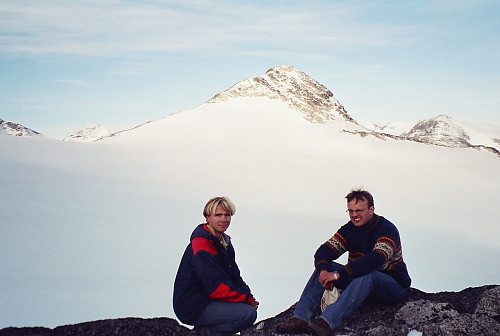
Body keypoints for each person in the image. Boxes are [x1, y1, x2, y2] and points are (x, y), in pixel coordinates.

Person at [277, 189, 411, 336]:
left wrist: (336, 275)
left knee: (368, 274)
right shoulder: (349, 229)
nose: (354, 215)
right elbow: (324, 251)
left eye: (359, 210)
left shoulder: (387, 229)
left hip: (393, 287)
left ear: (371, 209)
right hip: (360, 283)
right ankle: (301, 319)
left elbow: (375, 260)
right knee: (324, 267)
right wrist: (324, 272)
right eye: (351, 211)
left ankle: (326, 322)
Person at [173, 196, 259, 336]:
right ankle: (205, 333)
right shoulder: (201, 244)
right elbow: (216, 288)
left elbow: (235, 277)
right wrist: (246, 300)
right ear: (207, 217)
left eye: (227, 215)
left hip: (210, 301)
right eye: (218, 215)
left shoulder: (224, 242)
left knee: (247, 309)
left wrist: (249, 296)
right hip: (193, 306)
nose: (223, 219)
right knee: (247, 314)